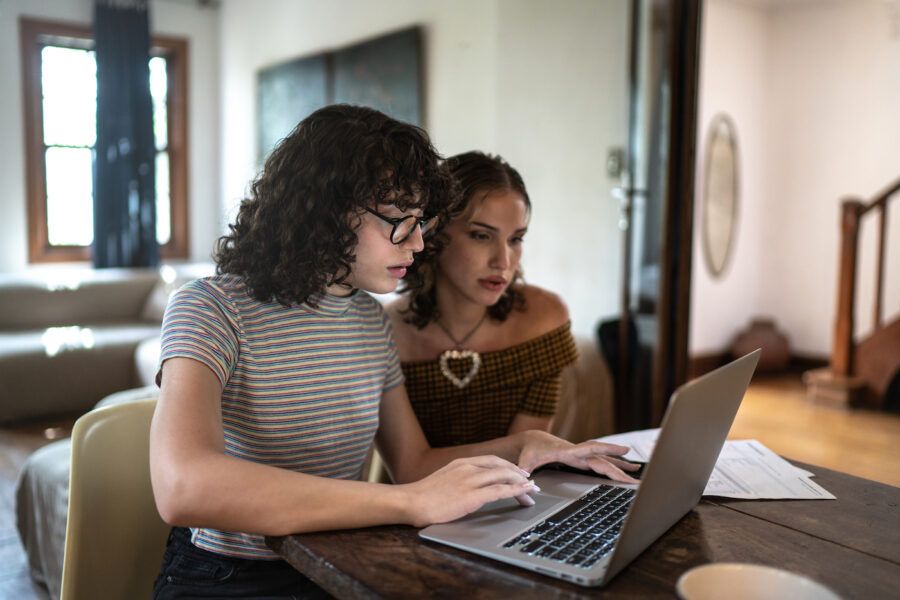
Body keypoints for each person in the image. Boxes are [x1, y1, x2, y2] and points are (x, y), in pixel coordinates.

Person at [149, 105, 638, 599]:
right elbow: (184, 486)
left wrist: (522, 446)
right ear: (325, 209)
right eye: (401, 222)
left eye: (421, 222)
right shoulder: (211, 307)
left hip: (337, 562)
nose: (420, 242)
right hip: (230, 576)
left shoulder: (366, 319)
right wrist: (409, 504)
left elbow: (414, 464)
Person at [388, 151, 579, 447]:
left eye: (515, 239)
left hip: (517, 490)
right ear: (433, 234)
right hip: (409, 493)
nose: (503, 261)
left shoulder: (544, 320)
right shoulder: (384, 332)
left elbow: (524, 463)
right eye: (481, 236)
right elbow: (408, 470)